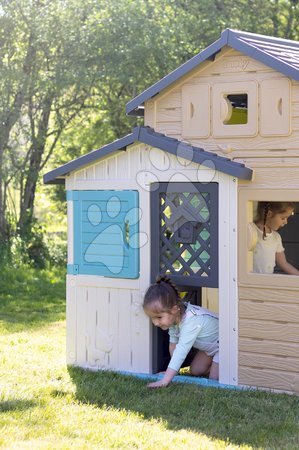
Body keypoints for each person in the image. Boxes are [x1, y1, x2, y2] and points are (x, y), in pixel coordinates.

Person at [143, 276, 219, 388]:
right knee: (195, 371)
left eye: (159, 317)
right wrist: (173, 372)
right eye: (152, 318)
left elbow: (181, 351)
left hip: (224, 346)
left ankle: (222, 366)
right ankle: (216, 366)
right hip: (210, 348)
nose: (155, 323)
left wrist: (165, 380)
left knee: (213, 381)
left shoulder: (191, 321)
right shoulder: (175, 319)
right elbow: (173, 346)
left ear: (174, 310)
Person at [247, 201, 299, 275]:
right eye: (283, 218)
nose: (286, 222)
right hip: (249, 282)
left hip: (268, 282)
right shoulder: (250, 231)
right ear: (269, 214)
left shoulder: (276, 237)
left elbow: (284, 264)